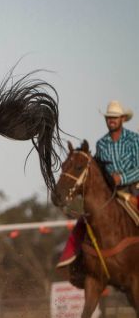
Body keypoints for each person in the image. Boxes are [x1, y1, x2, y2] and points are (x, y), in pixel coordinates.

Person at [57, 100, 139, 270]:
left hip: (133, 188)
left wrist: (121, 178)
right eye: (109, 117)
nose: (112, 120)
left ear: (123, 118)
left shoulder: (134, 140)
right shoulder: (101, 143)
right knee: (87, 219)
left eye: (115, 117)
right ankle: (75, 259)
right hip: (109, 191)